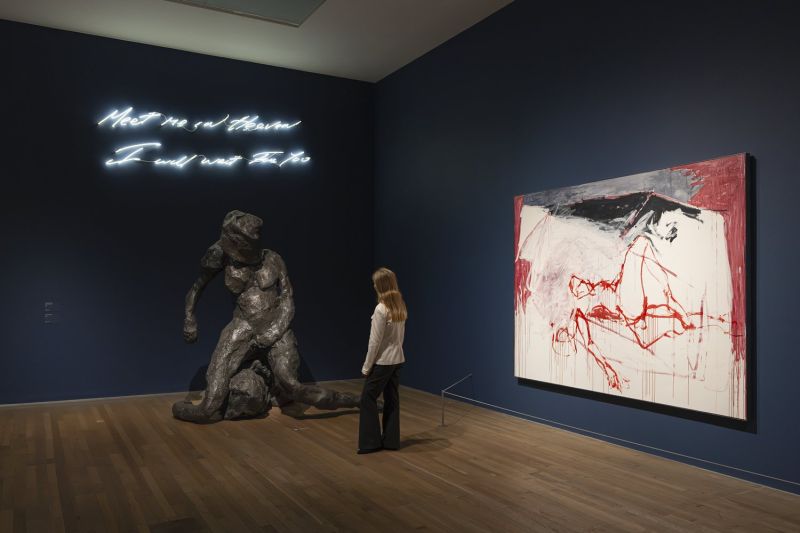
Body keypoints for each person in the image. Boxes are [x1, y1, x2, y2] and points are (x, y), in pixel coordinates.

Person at [358, 267, 407, 454]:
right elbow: (400, 337)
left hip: (383, 361)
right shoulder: (399, 305)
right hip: (397, 359)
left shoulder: (381, 309)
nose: (373, 286)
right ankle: (391, 441)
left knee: (367, 398)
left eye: (375, 283)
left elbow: (374, 342)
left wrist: (366, 367)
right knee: (392, 399)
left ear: (380, 285)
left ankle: (371, 442)